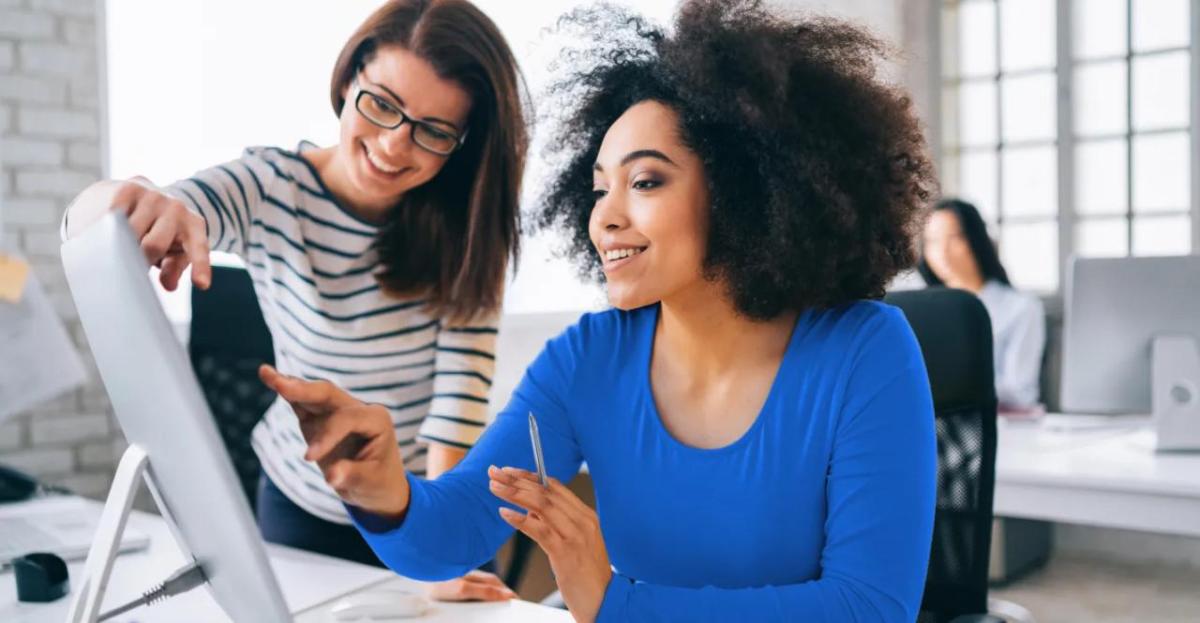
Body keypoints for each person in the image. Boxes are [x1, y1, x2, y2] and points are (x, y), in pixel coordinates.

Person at [260, 1, 939, 620]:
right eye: (597, 188)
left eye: (645, 181)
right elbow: (456, 529)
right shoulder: (588, 359)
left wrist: (619, 605)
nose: (604, 218)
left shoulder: (865, 350)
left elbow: (871, 607)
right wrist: (388, 492)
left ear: (745, 190)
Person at [62, 0, 525, 602]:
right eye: (382, 104)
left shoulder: (469, 231)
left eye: (433, 131)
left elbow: (456, 411)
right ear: (349, 79)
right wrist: (135, 199)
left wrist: (432, 547)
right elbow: (109, 217)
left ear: (462, 145)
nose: (393, 145)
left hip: (413, 504)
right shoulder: (273, 186)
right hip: (298, 498)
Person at [919, 198, 1046, 411]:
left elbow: (1020, 391)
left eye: (953, 238)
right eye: (932, 241)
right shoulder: (921, 309)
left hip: (1000, 426)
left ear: (976, 240)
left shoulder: (1021, 308)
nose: (942, 252)